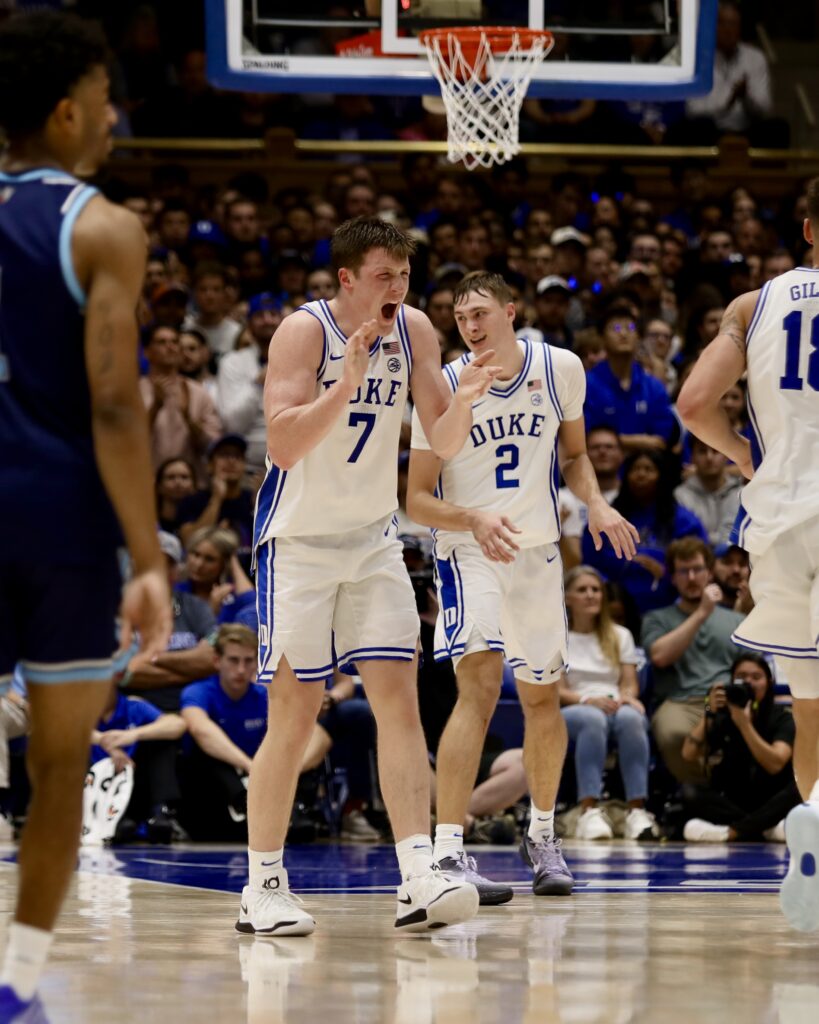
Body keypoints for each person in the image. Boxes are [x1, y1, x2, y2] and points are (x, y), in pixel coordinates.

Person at [242, 215, 500, 937]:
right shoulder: (303, 332)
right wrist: (345, 385)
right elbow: (284, 446)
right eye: (385, 276)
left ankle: (417, 874)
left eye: (405, 276)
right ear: (348, 279)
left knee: (400, 704)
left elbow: (440, 438)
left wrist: (465, 404)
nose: (398, 288)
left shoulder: (414, 330)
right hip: (298, 544)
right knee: (294, 716)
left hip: (374, 541)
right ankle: (262, 885)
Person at [0, 13, 171, 1018]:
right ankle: (17, 983)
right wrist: (147, 557)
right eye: (106, 105)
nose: (113, 123)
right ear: (67, 113)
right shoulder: (102, 226)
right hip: (56, 522)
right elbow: (114, 405)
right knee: (60, 765)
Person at [407, 271, 638, 904]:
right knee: (480, 687)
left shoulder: (561, 367)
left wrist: (595, 503)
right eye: (460, 318)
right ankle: (448, 849)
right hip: (470, 550)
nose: (470, 326)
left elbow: (575, 456)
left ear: (511, 312)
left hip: (536, 552)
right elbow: (417, 498)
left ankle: (541, 836)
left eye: (480, 313)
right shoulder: (444, 386)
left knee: (542, 699)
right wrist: (474, 520)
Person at [677, 175, 819, 931]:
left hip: (779, 523)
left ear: (808, 229)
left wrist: (742, 455)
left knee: (809, 704)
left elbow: (692, 405)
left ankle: (814, 824)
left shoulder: (752, 305)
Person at [560, 566, 658, 841]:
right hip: (574, 706)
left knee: (632, 718)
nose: (591, 595)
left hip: (612, 703)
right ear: (567, 598)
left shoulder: (620, 635)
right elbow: (557, 691)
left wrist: (626, 697)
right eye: (582, 590)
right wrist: (587, 700)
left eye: (596, 589)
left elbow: (629, 683)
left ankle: (636, 811)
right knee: (593, 719)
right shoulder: (557, 636)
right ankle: (588, 811)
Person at [641, 538, 748, 786]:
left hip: (726, 699)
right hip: (680, 701)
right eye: (683, 571)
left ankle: (728, 795)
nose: (691, 578)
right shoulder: (657, 619)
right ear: (672, 577)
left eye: (697, 569)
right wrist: (701, 614)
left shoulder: (735, 621)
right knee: (672, 734)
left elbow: (752, 668)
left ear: (709, 573)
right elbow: (659, 657)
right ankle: (705, 795)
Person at [680, 654, 799, 843]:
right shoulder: (722, 715)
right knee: (689, 792)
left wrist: (744, 724)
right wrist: (709, 711)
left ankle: (732, 832)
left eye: (756, 677)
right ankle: (763, 828)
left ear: (769, 683)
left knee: (799, 788)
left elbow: (775, 764)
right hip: (736, 800)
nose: (748, 682)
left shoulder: (782, 717)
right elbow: (688, 753)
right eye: (741, 677)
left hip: (772, 797)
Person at [139, 322, 223, 481]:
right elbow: (127, 442)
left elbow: (212, 446)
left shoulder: (198, 393)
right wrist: (155, 408)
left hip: (190, 484)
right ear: (147, 352)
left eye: (175, 342)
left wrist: (188, 417)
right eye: (162, 342)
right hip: (146, 481)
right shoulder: (134, 391)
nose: (170, 347)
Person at [217, 292, 283, 473]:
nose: (267, 320)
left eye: (273, 314)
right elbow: (232, 424)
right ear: (249, 324)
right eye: (260, 315)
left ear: (283, 321)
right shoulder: (232, 362)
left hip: (293, 465)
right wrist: (257, 385)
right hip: (246, 468)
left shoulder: (301, 359)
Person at [673, 437, 742, 546]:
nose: (709, 457)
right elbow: (688, 541)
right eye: (702, 451)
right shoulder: (680, 496)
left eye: (715, 451)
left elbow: (738, 539)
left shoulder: (741, 494)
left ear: (727, 455)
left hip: (734, 555)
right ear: (692, 457)